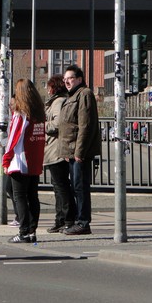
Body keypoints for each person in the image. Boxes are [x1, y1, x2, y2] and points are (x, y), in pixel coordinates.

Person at [58, 65, 101, 235]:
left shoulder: (84, 94)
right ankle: (78, 221)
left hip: (79, 152)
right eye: (65, 79)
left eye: (70, 78)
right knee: (76, 186)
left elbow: (85, 126)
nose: (67, 81)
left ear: (79, 79)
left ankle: (83, 222)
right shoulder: (72, 96)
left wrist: (79, 152)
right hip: (71, 151)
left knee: (80, 186)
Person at [3, 79, 46, 243]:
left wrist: (6, 160)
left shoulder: (21, 114)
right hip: (35, 161)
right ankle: (32, 231)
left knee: (19, 196)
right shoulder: (39, 114)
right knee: (33, 196)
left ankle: (23, 231)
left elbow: (13, 139)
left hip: (21, 160)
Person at [43, 75, 76, 233]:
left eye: (49, 86)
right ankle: (62, 218)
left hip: (55, 149)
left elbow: (57, 123)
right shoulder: (57, 101)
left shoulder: (58, 102)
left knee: (61, 186)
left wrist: (42, 125)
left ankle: (66, 218)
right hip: (53, 149)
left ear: (54, 88)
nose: (47, 90)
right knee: (59, 186)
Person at [6, 94, 19, 227]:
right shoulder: (14, 118)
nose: (10, 106)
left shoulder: (20, 117)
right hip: (14, 160)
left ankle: (22, 218)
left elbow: (14, 140)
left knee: (14, 189)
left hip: (17, 161)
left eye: (12, 103)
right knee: (10, 188)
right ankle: (20, 216)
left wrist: (6, 160)